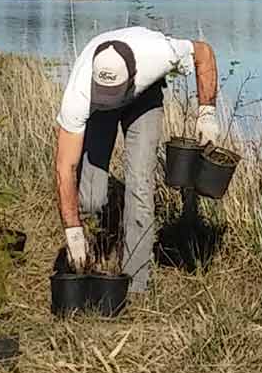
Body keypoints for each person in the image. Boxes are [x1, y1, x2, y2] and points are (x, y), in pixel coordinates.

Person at [54, 24, 219, 294]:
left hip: (144, 99)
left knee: (140, 188)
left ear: (131, 77)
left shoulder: (158, 53)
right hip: (98, 107)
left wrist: (207, 112)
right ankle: (100, 235)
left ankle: (135, 284)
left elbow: (204, 53)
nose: (112, 101)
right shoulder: (80, 92)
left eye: (114, 95)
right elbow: (65, 168)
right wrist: (72, 231)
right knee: (90, 197)